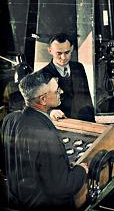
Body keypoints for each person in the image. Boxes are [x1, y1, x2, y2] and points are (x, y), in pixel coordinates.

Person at [1, 71, 88, 210]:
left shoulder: (9, 120)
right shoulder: (47, 135)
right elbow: (62, 187)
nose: (62, 91)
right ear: (42, 100)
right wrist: (81, 170)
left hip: (17, 203)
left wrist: (48, 113)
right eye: (57, 90)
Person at [41, 32, 94, 122]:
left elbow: (86, 98)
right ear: (50, 51)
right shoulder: (43, 74)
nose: (63, 57)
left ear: (72, 48)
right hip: (62, 125)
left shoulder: (79, 67)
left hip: (84, 122)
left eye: (67, 52)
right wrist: (51, 112)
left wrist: (92, 121)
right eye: (59, 53)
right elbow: (37, 105)